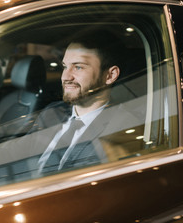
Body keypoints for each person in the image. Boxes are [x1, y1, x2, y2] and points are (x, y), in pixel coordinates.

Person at [29, 30, 141, 175]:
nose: (65, 77)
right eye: (64, 66)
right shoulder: (51, 112)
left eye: (78, 67)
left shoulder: (122, 128)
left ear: (110, 75)